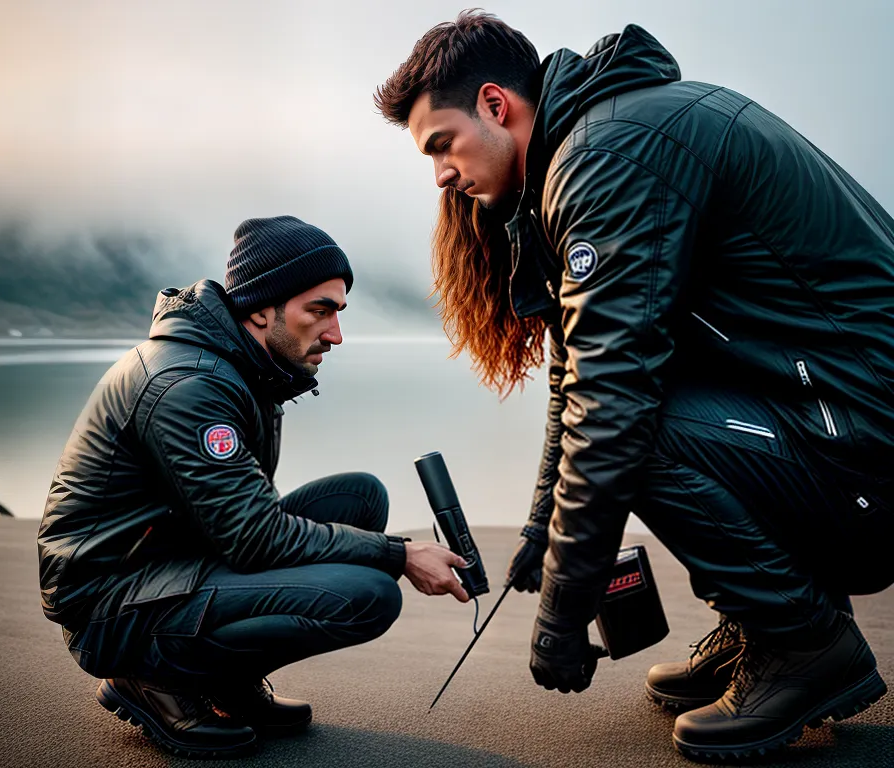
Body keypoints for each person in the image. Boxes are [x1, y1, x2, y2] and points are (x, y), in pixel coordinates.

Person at [375, 10, 894, 761]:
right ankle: (766, 620)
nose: (442, 176)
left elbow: (610, 403)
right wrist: (537, 531)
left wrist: (563, 610)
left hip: (866, 445)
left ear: (496, 104)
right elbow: (578, 370)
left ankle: (805, 644)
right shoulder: (607, 133)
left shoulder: (606, 155)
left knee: (630, 432)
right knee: (628, 409)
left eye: (441, 146)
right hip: (840, 420)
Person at [37, 216, 469, 760]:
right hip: (108, 604)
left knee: (361, 498)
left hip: (168, 560)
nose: (336, 334)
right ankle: (152, 679)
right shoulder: (188, 385)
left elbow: (241, 521)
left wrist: (382, 548)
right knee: (370, 595)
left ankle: (224, 682)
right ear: (261, 308)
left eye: (338, 312)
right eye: (320, 310)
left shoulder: (245, 366)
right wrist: (399, 554)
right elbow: (254, 537)